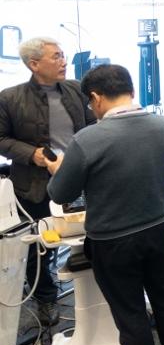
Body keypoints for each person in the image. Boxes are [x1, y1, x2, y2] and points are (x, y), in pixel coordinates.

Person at [45, 65, 164, 345]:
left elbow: (60, 193)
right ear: (131, 90)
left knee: (130, 313)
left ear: (96, 98)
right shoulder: (163, 125)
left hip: (112, 240)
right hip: (157, 228)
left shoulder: (87, 140)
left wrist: (58, 170)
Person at [0, 37, 95, 326]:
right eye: (56, 57)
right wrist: (33, 155)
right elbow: (1, 139)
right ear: (34, 64)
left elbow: (92, 126)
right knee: (40, 247)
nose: (64, 62)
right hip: (35, 184)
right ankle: (45, 298)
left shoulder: (76, 89)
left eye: (63, 55)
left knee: (89, 233)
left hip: (79, 177)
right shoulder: (10, 98)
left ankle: (97, 287)